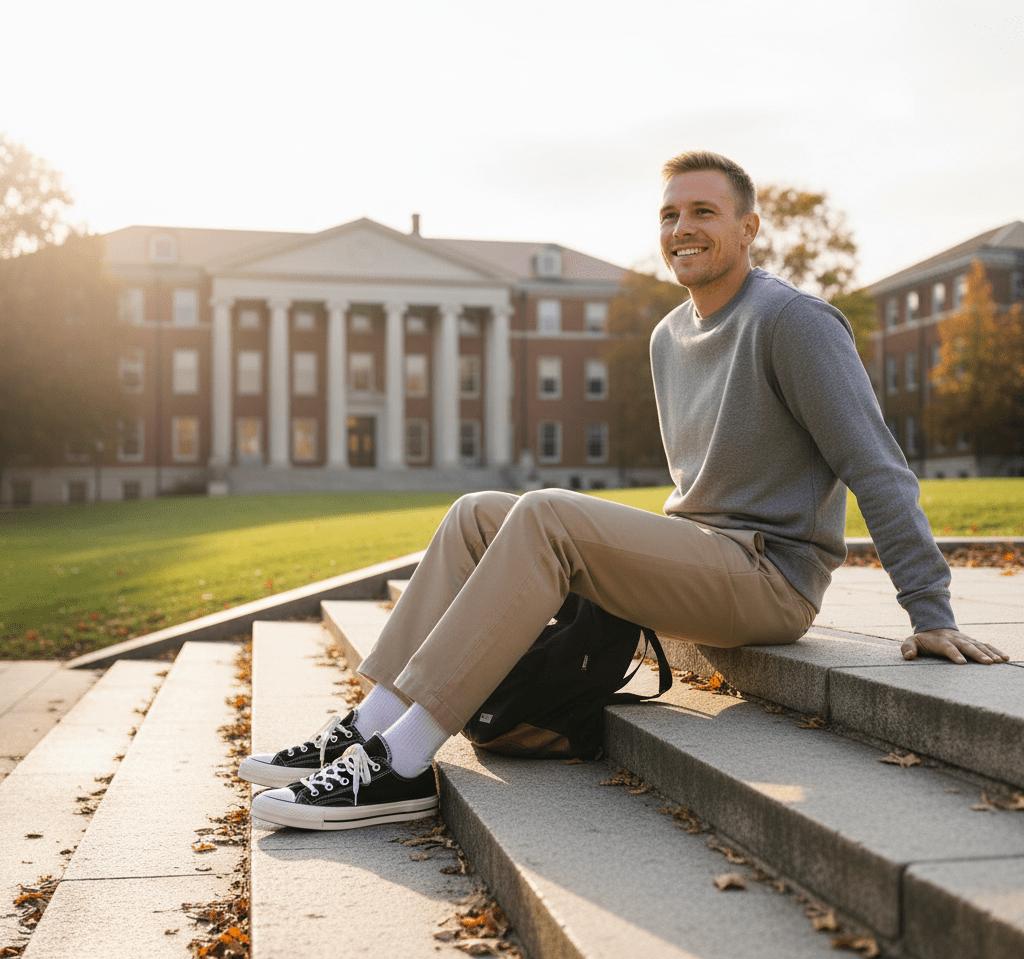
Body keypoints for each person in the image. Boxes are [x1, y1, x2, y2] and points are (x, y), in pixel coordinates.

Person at [240, 149, 1009, 831]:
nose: (683, 228)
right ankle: (367, 724)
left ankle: (401, 763)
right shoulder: (668, 336)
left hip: (769, 578)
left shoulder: (794, 322)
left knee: (547, 513)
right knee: (476, 514)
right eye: (670, 215)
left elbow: (876, 465)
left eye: (704, 211)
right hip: (698, 556)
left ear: (749, 227)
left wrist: (930, 611)